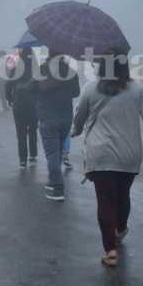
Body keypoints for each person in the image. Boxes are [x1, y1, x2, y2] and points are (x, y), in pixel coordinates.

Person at [72, 51, 143, 267]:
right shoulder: (138, 90)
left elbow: (79, 118)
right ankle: (121, 229)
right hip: (129, 154)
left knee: (105, 201)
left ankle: (110, 251)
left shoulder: (90, 88)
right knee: (123, 195)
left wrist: (75, 131)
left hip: (100, 153)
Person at [37, 50, 80, 201]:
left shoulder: (43, 68)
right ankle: (52, 180)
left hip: (48, 116)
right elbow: (76, 92)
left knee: (52, 154)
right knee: (59, 151)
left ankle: (58, 188)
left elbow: (38, 88)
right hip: (66, 117)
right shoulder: (71, 71)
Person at [6, 47, 38, 168]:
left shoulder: (15, 68)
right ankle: (33, 155)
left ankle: (23, 160)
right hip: (34, 105)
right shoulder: (36, 69)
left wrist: (9, 99)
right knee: (33, 130)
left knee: (21, 133)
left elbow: (8, 85)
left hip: (19, 104)